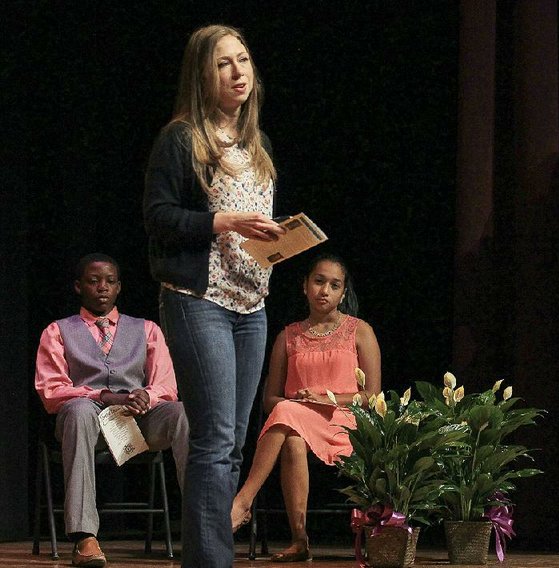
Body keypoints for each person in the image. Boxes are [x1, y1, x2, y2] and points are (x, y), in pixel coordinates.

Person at [142, 24, 286, 568]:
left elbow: (256, 226)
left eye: (243, 60)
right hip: (199, 299)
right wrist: (220, 221)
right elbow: (158, 217)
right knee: (213, 438)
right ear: (203, 74)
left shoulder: (258, 144)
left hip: (253, 304)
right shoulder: (181, 138)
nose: (238, 72)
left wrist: (278, 241)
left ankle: (211, 556)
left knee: (234, 445)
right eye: (224, 63)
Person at [34, 253, 188, 568]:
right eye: (93, 281)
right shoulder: (58, 331)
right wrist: (104, 396)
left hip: (138, 423)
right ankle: (84, 538)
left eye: (110, 281)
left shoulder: (146, 329)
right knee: (78, 409)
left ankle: (203, 525)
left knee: (182, 412)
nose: (102, 287)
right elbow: (51, 391)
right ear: (79, 287)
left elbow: (167, 385)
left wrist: (145, 395)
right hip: (86, 424)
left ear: (119, 287)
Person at [231, 254, 381, 562]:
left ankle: (243, 500)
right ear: (305, 286)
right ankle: (300, 540)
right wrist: (301, 404)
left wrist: (328, 399)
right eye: (318, 281)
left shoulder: (360, 331)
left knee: (288, 419)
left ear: (343, 292)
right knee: (292, 436)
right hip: (298, 421)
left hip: (345, 423)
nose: (324, 290)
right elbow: (270, 399)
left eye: (334, 285)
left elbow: (373, 395)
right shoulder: (288, 336)